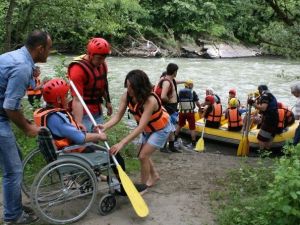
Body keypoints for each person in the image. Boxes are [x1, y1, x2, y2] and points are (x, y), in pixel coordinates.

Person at [34, 78, 147, 195]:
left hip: (60, 151)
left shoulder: (45, 113)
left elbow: (64, 131)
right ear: (58, 99)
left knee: (97, 149)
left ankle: (102, 178)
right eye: (65, 95)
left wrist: (77, 126)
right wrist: (99, 137)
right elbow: (80, 138)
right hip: (71, 152)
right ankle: (122, 188)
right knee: (114, 154)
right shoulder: (57, 118)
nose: (68, 98)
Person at [0, 30, 52, 225]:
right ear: (39, 49)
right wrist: (28, 128)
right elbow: (10, 107)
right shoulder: (22, 65)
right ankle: (13, 217)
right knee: (13, 170)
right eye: (49, 48)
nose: (50, 51)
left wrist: (33, 75)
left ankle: (14, 207)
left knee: (16, 161)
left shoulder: (18, 58)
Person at [100, 70, 172, 187]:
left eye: (132, 87)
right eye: (127, 86)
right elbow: (118, 116)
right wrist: (104, 126)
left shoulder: (150, 100)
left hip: (161, 129)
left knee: (143, 156)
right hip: (147, 129)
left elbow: (141, 126)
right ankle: (154, 176)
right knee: (143, 154)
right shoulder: (126, 96)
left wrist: (121, 143)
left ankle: (142, 187)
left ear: (140, 87)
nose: (128, 90)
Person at [68, 37, 113, 132]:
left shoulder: (103, 65)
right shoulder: (77, 69)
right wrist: (79, 123)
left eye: (104, 58)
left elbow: (103, 84)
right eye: (99, 58)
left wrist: (108, 102)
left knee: (96, 138)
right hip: (83, 112)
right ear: (90, 54)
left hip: (97, 109)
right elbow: (77, 99)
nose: (101, 61)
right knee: (84, 141)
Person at [155, 63, 181, 153]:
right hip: (168, 107)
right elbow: (163, 96)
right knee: (167, 128)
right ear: (174, 72)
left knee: (172, 128)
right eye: (176, 71)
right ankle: (163, 147)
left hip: (172, 108)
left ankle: (171, 146)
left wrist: (185, 81)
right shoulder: (166, 82)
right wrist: (169, 100)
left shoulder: (171, 80)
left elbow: (176, 82)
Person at [248, 85, 278, 150]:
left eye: (259, 90)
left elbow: (263, 108)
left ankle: (262, 153)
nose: (259, 92)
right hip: (275, 118)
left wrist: (253, 104)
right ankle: (267, 152)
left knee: (260, 138)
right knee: (270, 137)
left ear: (261, 90)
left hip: (270, 119)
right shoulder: (270, 95)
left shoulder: (265, 96)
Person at [175, 80, 201, 148]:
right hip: (190, 113)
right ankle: (193, 143)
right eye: (192, 84)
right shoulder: (193, 92)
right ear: (189, 85)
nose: (192, 86)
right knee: (192, 128)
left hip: (182, 112)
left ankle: (174, 139)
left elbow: (177, 101)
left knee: (179, 125)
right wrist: (200, 108)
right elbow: (197, 103)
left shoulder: (180, 92)